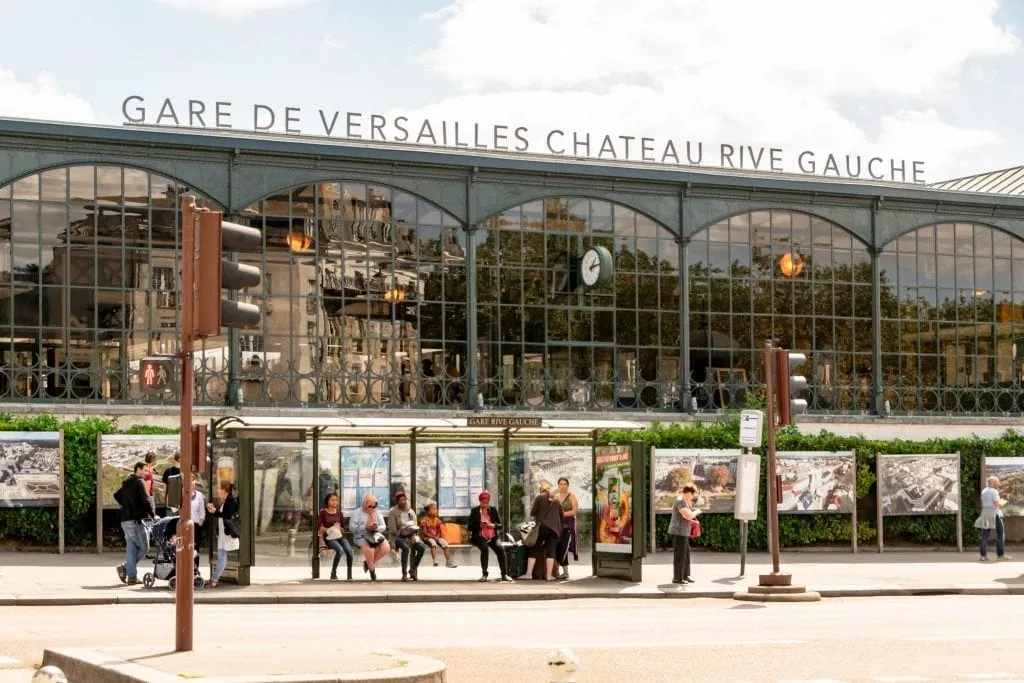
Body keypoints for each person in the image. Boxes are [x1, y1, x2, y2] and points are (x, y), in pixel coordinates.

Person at [114, 462, 156, 585]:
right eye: (145, 470)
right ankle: (125, 568)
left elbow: (117, 495)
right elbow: (146, 499)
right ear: (138, 469)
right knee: (144, 547)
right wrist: (153, 514)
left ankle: (131, 577)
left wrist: (126, 505)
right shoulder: (139, 482)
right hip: (136, 520)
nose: (147, 473)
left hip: (125, 520)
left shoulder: (127, 482)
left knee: (132, 549)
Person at [468, 490, 512, 582]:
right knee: (484, 549)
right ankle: (484, 574)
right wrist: (479, 526)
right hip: (480, 536)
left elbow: (500, 525)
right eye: (483, 502)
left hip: (492, 536)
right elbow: (470, 526)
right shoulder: (474, 511)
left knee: (500, 549)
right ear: (480, 501)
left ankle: (504, 574)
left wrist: (493, 525)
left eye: (487, 502)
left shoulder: (493, 510)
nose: (485, 504)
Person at [526, 483, 564, 581]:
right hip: (555, 529)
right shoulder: (557, 499)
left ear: (541, 490)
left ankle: (529, 574)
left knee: (534, 547)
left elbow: (533, 512)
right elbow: (562, 515)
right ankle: (549, 575)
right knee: (551, 551)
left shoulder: (539, 497)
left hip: (543, 527)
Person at [206, 481, 240, 587]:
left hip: (227, 534)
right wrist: (214, 511)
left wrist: (215, 511)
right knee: (222, 556)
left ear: (224, 490)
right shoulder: (226, 500)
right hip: (223, 534)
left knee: (222, 556)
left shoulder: (231, 500)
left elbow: (228, 516)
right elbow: (223, 515)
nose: (218, 491)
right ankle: (214, 579)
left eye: (219, 489)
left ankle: (214, 580)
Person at [386, 491, 425, 581]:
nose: (403, 501)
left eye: (404, 499)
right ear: (397, 501)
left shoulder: (411, 511)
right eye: (400, 500)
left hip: (411, 536)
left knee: (421, 547)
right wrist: (403, 532)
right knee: (406, 548)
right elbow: (392, 530)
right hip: (398, 536)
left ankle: (413, 569)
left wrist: (412, 534)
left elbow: (415, 525)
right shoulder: (393, 512)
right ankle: (404, 574)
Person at [350, 493, 389, 581]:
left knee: (386, 547)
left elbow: (383, 526)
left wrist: (376, 528)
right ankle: (372, 570)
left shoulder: (377, 512)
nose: (371, 508)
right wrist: (365, 527)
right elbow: (352, 528)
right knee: (370, 549)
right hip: (360, 535)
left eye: (374, 506)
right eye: (369, 506)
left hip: (374, 534)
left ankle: (368, 563)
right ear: (365, 503)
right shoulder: (357, 513)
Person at [317, 492, 354, 581]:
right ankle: (333, 573)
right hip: (330, 537)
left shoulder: (339, 513)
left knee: (349, 551)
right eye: (332, 500)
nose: (335, 502)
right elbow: (319, 527)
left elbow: (342, 528)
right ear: (328, 501)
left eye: (336, 500)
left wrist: (339, 528)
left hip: (340, 536)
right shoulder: (323, 513)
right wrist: (329, 528)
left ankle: (349, 574)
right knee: (340, 550)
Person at [975, 476, 1011, 562]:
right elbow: (996, 505)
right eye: (997, 482)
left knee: (984, 535)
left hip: (985, 513)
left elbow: (983, 501)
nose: (998, 484)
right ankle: (1000, 554)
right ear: (993, 483)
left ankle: (983, 556)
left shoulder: (984, 491)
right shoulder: (994, 491)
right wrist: (1002, 503)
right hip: (995, 514)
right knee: (1001, 534)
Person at [669, 485, 700, 584]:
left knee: (686, 554)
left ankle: (685, 576)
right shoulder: (680, 501)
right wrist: (697, 512)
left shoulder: (685, 502)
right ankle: (677, 578)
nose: (693, 497)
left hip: (684, 532)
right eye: (693, 494)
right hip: (679, 532)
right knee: (680, 555)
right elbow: (688, 516)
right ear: (688, 493)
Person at [554, 477, 579, 580]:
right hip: (558, 526)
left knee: (564, 547)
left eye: (564, 484)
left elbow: (574, 511)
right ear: (558, 485)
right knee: (558, 547)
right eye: (561, 484)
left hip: (568, 525)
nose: (563, 486)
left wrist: (563, 514)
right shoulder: (556, 497)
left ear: (568, 485)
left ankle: (563, 571)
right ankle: (564, 572)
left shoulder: (572, 496)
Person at [419, 501, 457, 568]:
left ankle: (449, 562)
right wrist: (434, 537)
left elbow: (439, 530)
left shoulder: (437, 520)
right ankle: (435, 560)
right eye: (433, 509)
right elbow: (425, 532)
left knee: (445, 543)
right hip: (428, 537)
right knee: (433, 543)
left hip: (436, 537)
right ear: (428, 512)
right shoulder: (424, 521)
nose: (436, 510)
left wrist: (437, 536)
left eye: (436, 509)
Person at [189, 472, 206, 551]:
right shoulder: (182, 494)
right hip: (185, 525)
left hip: (196, 525)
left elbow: (202, 511)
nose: (191, 482)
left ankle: (195, 563)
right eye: (189, 480)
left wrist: (200, 524)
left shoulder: (199, 495)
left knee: (195, 548)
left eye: (193, 480)